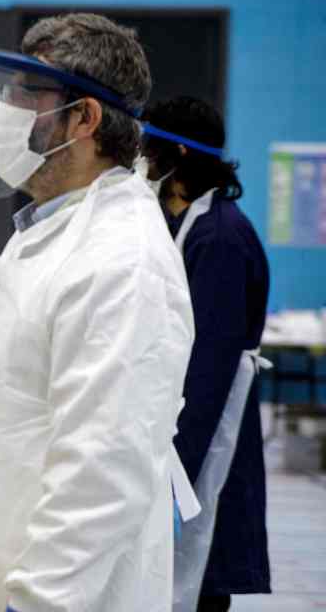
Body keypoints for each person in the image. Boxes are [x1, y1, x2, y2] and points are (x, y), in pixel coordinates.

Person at [0, 14, 195, 611]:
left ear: (85, 118)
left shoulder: (122, 259)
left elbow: (104, 466)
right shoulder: (47, 228)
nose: (3, 111)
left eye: (26, 93)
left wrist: (37, 603)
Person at [141, 96, 271, 612]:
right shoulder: (186, 225)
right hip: (181, 433)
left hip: (206, 440)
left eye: (150, 148)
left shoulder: (220, 239)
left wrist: (175, 481)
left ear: (176, 154)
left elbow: (206, 374)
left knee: (201, 582)